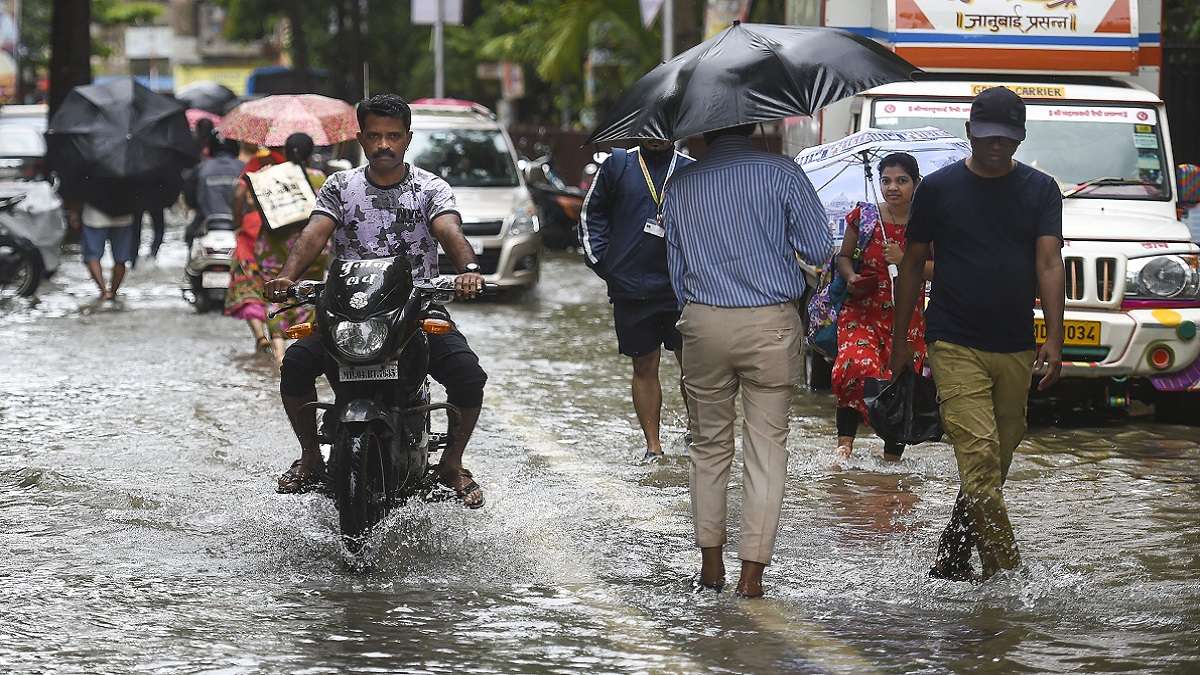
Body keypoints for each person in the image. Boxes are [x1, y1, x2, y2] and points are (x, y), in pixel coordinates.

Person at [265, 94, 489, 508]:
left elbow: (448, 229)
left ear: (407, 139)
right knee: (295, 365)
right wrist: (285, 277)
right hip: (348, 310)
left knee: (468, 376)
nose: (384, 144)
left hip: (416, 307)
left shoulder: (430, 187)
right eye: (374, 136)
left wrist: (468, 268)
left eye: (393, 136)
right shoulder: (339, 187)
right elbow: (315, 232)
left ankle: (453, 464)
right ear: (360, 138)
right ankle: (312, 457)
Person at [889, 86, 1065, 582]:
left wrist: (1055, 339)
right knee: (981, 459)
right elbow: (912, 263)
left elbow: (1049, 262)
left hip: (1015, 344)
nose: (995, 146)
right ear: (968, 133)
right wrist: (902, 342)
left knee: (991, 467)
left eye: (1006, 138)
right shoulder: (940, 189)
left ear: (1020, 137)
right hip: (953, 339)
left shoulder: (1040, 189)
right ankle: (1007, 576)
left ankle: (951, 552)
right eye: (986, 137)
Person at [662, 123, 831, 598]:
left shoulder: (679, 184)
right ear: (754, 122)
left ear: (702, 131)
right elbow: (819, 251)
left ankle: (710, 567)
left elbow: (676, 271)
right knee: (767, 450)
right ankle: (751, 577)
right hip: (770, 325)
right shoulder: (782, 172)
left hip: (703, 323)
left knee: (708, 447)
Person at [580, 139, 695, 462]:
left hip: (682, 288)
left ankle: (696, 432)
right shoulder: (617, 166)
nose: (656, 135)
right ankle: (653, 447)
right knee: (644, 366)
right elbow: (592, 216)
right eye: (649, 128)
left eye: (663, 129)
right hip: (632, 288)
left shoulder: (690, 169)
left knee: (694, 368)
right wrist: (605, 265)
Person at [832, 153, 933, 461]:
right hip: (861, 312)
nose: (893, 188)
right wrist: (851, 277)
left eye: (901, 181)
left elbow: (939, 269)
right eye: (886, 181)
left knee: (899, 384)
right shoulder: (863, 216)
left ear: (916, 184)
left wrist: (905, 260)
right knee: (855, 366)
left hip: (907, 319)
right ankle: (844, 447)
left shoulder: (927, 223)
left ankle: (891, 461)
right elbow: (843, 257)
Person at [255, 132, 330, 367]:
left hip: (273, 249)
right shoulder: (321, 178)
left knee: (276, 296)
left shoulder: (268, 177)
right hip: (313, 251)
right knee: (306, 299)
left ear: (285, 151)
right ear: (311, 154)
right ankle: (302, 353)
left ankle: (279, 355)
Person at [224, 144, 286, 353]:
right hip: (280, 227)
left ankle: (261, 337)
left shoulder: (253, 164)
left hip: (251, 227)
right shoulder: (283, 163)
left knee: (249, 287)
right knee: (277, 287)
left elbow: (239, 192)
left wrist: (237, 221)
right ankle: (278, 339)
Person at [182, 133, 244, 247]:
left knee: (189, 236)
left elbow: (190, 197)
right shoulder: (245, 168)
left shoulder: (201, 168)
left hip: (206, 221)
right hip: (238, 223)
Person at [69, 200, 134, 301]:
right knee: (121, 258)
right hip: (123, 213)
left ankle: (104, 292)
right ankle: (113, 292)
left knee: (92, 256)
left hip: (94, 214)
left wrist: (74, 212)